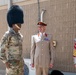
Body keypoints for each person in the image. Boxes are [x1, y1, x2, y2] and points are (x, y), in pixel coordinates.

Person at [0, 5, 24, 75]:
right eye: (18, 23)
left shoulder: (20, 35)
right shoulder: (8, 35)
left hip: (20, 66)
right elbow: (1, 50)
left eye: (20, 23)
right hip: (12, 67)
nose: (20, 25)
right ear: (13, 24)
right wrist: (6, 62)